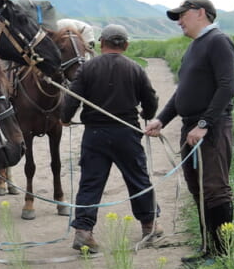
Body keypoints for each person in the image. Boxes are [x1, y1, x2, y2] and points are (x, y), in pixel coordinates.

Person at [144, 0, 234, 261]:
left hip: (212, 129)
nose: (180, 22)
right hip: (191, 129)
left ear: (201, 13)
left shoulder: (218, 41)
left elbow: (227, 87)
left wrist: (204, 124)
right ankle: (208, 248)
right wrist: (161, 120)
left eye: (183, 16)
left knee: (215, 188)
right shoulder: (195, 47)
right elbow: (181, 93)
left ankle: (223, 256)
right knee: (197, 188)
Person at [60, 23, 161, 253]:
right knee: (138, 179)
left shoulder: (86, 69)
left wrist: (65, 118)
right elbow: (150, 99)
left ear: (102, 44)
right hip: (127, 133)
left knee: (90, 182)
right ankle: (149, 225)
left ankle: (83, 232)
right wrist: (148, 114)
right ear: (125, 45)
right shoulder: (135, 68)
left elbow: (71, 98)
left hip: (94, 135)